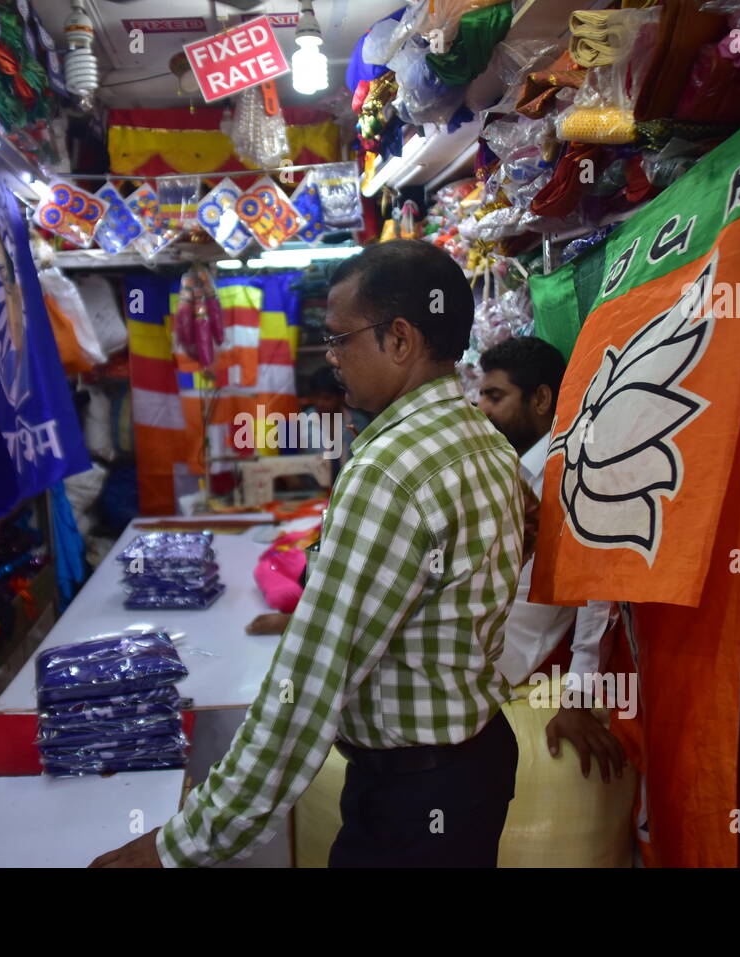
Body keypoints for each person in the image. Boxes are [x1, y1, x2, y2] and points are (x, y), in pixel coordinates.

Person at [90, 239, 531, 868]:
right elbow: (432, 606)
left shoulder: (389, 468)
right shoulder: (480, 440)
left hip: (414, 793)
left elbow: (305, 695)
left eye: (340, 339)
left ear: (399, 339)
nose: (332, 359)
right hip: (472, 765)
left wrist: (175, 847)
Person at [475, 336, 626, 782]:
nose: (482, 409)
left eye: (495, 396)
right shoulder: (511, 467)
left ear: (541, 398)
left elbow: (597, 600)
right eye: (481, 395)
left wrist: (577, 700)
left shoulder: (574, 476)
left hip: (511, 664)